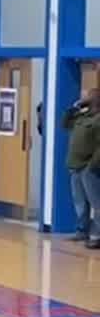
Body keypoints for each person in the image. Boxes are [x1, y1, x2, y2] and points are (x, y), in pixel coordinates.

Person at [62, 88, 100, 246]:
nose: (83, 98)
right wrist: (75, 106)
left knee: (96, 203)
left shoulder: (98, 119)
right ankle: (81, 230)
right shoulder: (81, 116)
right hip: (75, 166)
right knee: (80, 202)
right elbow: (64, 123)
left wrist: (93, 164)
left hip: (88, 167)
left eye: (86, 97)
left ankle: (97, 236)